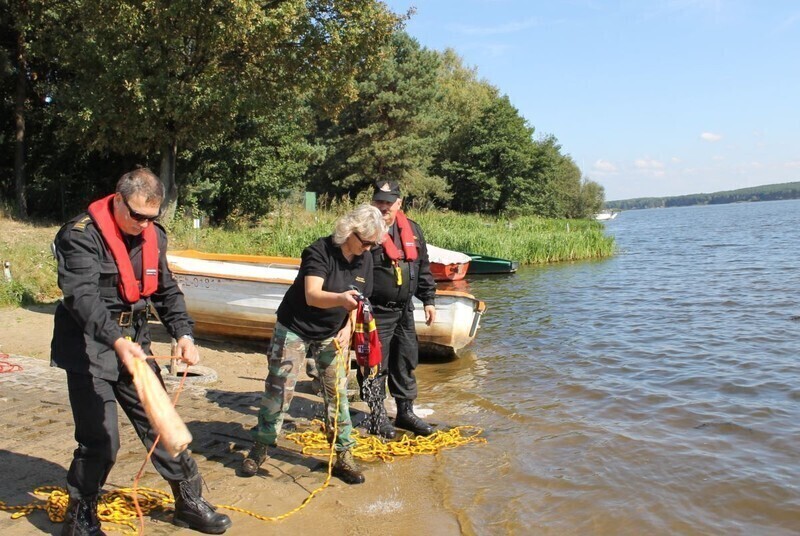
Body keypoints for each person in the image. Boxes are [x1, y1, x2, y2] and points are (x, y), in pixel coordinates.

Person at [51, 168, 232, 535]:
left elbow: (165, 290)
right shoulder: (80, 236)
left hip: (135, 340)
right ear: (118, 200)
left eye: (152, 217)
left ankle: (189, 502)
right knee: (101, 440)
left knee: (163, 424)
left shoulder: (153, 236)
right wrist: (116, 341)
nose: (144, 224)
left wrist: (183, 333)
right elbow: (81, 298)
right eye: (137, 215)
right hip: (89, 346)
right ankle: (80, 517)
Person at [241, 204, 387, 485]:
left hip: (332, 332)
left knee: (337, 393)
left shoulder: (365, 258)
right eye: (366, 242)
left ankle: (343, 453)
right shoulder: (319, 251)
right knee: (280, 388)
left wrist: (348, 326)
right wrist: (341, 300)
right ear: (351, 232)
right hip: (295, 326)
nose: (369, 249)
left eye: (373, 244)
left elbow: (360, 299)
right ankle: (261, 446)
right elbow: (312, 294)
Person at [365, 180, 436, 439]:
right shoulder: (365, 230)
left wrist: (428, 300)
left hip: (404, 311)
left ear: (399, 203)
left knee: (405, 360)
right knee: (375, 365)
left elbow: (423, 267)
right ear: (373, 202)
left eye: (388, 202)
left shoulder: (413, 230)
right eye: (379, 201)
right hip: (375, 311)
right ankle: (377, 415)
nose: (383, 207)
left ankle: (405, 412)